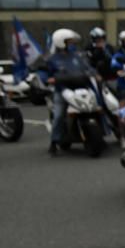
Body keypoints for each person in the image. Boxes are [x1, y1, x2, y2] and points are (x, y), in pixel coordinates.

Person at [38, 28, 94, 156]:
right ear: (60, 42)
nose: (72, 44)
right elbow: (44, 73)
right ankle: (54, 142)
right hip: (62, 90)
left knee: (97, 107)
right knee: (58, 116)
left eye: (72, 42)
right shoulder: (52, 59)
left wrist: (94, 73)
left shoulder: (77, 56)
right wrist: (48, 79)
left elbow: (88, 67)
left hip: (80, 87)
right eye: (69, 41)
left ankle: (103, 133)